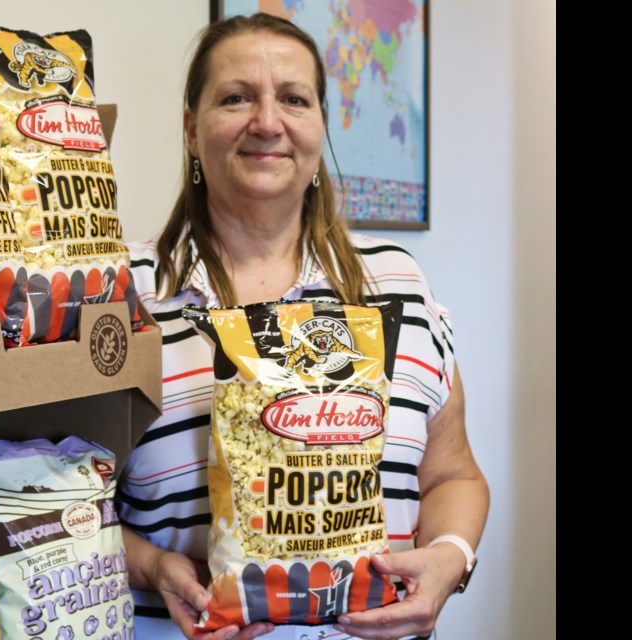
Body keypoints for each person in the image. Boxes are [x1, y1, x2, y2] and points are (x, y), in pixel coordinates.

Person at [116, 12, 490, 640]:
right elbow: (63, 505)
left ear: (320, 126)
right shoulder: (122, 293)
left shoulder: (396, 284)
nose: (267, 122)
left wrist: (451, 556)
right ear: (190, 129)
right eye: (236, 98)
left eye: (293, 99)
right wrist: (152, 565)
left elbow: (455, 474)